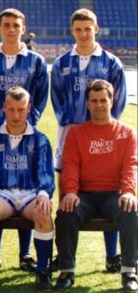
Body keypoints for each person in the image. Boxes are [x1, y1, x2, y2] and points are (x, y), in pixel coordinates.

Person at [51, 8, 127, 272]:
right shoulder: (61, 63)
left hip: (102, 130)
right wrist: (76, 124)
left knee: (109, 184)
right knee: (67, 188)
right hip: (70, 132)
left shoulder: (111, 62)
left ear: (96, 29)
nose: (83, 34)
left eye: (88, 29)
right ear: (72, 31)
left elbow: (117, 102)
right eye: (78, 29)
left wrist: (99, 127)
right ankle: (63, 255)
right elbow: (58, 100)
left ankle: (112, 254)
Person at [0, 8, 49, 270]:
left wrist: (27, 121)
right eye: (6, 24)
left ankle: (25, 253)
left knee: (24, 182)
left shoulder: (36, 61)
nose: (11, 29)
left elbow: (40, 96)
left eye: (16, 25)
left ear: (23, 28)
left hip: (24, 132)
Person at [54, 80, 137, 291]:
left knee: (131, 211)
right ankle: (67, 271)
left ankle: (129, 271)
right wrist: (70, 193)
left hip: (113, 194)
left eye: (103, 100)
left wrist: (128, 192)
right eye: (94, 101)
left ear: (112, 101)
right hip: (85, 195)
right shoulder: (76, 133)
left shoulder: (127, 133)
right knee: (66, 212)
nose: (99, 105)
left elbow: (131, 166)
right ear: (88, 104)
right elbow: (70, 165)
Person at [0, 87, 55, 289]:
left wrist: (45, 194)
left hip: (31, 194)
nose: (16, 115)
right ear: (4, 108)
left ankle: (43, 271)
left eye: (21, 109)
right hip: (3, 193)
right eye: (11, 109)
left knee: (44, 212)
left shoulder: (40, 139)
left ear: (29, 108)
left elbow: (46, 173)